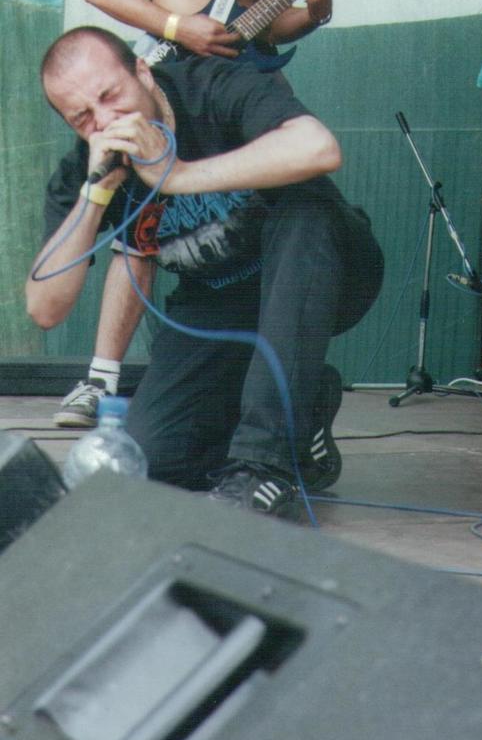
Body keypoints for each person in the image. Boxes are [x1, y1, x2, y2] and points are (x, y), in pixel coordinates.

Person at [27, 27, 384, 516]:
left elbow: (319, 148)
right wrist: (96, 194)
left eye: (110, 96)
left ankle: (262, 465)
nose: (105, 120)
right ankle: (303, 413)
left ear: (142, 72)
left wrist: (179, 176)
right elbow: (45, 308)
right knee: (151, 458)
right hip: (220, 301)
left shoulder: (212, 86)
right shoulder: (87, 168)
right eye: (83, 118)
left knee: (306, 209)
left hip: (324, 269)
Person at [54, 0, 334, 427]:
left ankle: (267, 384)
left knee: (270, 219)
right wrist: (177, 26)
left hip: (239, 88)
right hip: (173, 78)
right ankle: (100, 379)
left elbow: (270, 18)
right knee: (142, 231)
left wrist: (316, 10)